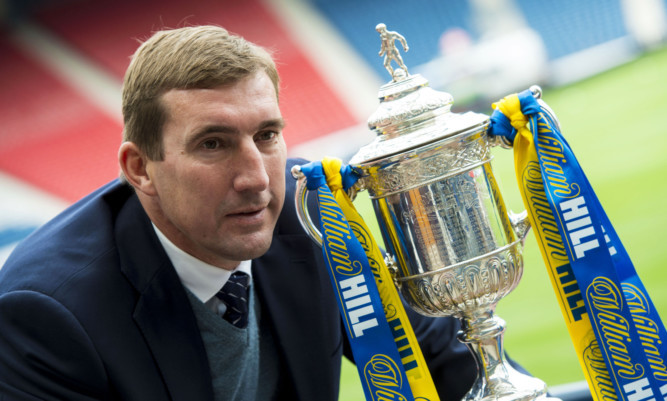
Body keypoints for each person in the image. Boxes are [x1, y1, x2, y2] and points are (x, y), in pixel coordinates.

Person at [0, 25, 482, 400]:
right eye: (213, 144)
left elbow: (441, 359)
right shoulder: (47, 314)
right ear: (141, 168)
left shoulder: (312, 213)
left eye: (267, 136)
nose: (256, 178)